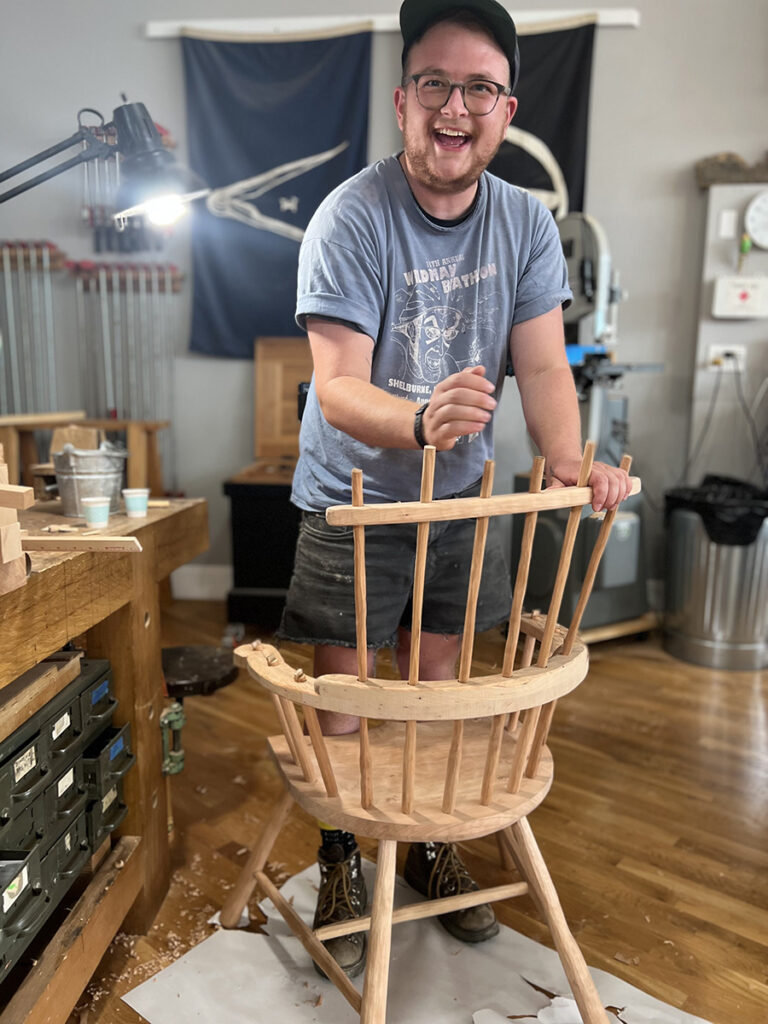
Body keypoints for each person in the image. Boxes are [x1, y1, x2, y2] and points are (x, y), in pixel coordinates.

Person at [276, 0, 632, 979]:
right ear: (402, 101)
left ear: (506, 107)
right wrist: (420, 419)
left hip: (460, 502)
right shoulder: (351, 216)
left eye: (478, 87)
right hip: (355, 498)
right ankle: (342, 855)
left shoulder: (523, 221)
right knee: (347, 699)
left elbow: (546, 367)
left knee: (438, 686)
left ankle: (427, 842)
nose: (455, 107)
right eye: (435, 83)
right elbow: (339, 385)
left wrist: (570, 462)